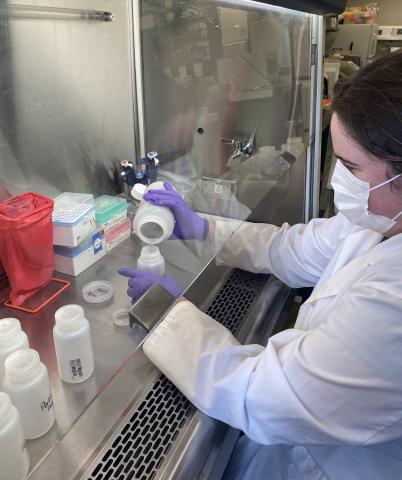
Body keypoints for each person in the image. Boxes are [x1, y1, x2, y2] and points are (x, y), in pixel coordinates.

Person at [119, 51, 402, 479]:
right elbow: (290, 249)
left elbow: (263, 395)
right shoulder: (377, 220)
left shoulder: (394, 304)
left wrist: (167, 315)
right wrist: (202, 229)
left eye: (350, 167)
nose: (334, 181)